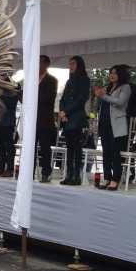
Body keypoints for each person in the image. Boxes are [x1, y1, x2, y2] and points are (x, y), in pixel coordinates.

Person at [22, 55, 59, 183]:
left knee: (45, 148)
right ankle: (28, 173)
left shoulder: (52, 80)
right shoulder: (31, 79)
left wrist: (31, 96)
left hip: (45, 120)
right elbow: (23, 97)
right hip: (31, 120)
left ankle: (46, 173)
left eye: (40, 63)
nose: (38, 65)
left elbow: (47, 98)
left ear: (46, 65)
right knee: (30, 148)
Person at [94, 65, 132, 191]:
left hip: (116, 124)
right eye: (111, 72)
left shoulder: (125, 87)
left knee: (115, 153)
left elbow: (120, 102)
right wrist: (97, 95)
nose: (112, 75)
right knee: (106, 152)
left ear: (121, 74)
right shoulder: (107, 87)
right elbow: (99, 104)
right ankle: (107, 177)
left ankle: (115, 179)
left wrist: (103, 96)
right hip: (104, 123)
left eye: (115, 73)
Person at [58, 55, 90, 185]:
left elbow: (81, 99)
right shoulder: (69, 81)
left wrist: (66, 111)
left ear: (79, 65)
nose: (70, 66)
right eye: (69, 63)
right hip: (67, 119)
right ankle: (69, 174)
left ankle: (76, 175)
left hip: (77, 118)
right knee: (69, 147)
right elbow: (62, 99)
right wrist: (62, 112)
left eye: (73, 63)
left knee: (77, 147)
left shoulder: (85, 80)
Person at [0, 80, 19, 177]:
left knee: (9, 146)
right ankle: (1, 167)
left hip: (7, 121)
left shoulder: (13, 86)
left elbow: (12, 102)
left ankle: (10, 169)